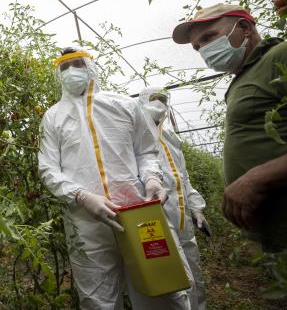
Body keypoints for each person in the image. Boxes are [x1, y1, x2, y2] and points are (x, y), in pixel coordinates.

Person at [38, 48, 191, 309]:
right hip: (87, 222)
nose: (71, 71)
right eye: (64, 67)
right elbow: (48, 168)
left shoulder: (124, 105)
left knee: (164, 289)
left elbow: (146, 151)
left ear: (90, 68)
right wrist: (80, 195)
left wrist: (153, 179)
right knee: (98, 299)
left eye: (77, 64)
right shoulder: (53, 117)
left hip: (140, 213)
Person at [172, 3, 287, 300]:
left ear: (245, 27)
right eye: (197, 47)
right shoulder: (241, 79)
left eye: (209, 37)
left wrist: (256, 178)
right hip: (279, 234)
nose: (203, 49)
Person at [138, 86, 209, 310]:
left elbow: (182, 177)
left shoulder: (171, 137)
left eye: (163, 99)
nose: (159, 104)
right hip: (156, 215)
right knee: (172, 276)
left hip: (182, 216)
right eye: (153, 99)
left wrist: (196, 208)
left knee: (193, 270)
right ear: (141, 102)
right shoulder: (136, 133)